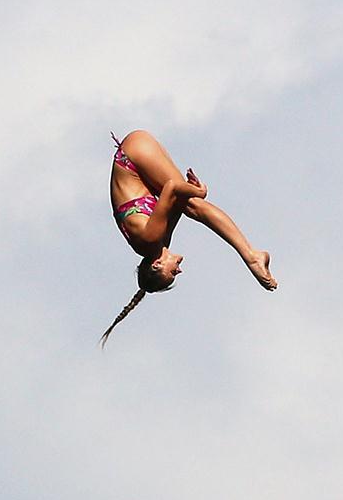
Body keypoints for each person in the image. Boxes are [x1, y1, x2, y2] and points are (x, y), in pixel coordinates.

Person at [101, 130, 277, 346]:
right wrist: (189, 191)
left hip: (134, 153)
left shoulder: (151, 239)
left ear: (157, 264)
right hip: (134, 156)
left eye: (172, 272)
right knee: (190, 204)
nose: (179, 269)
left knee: (195, 203)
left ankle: (251, 256)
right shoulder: (157, 242)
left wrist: (197, 192)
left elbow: (171, 188)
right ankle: (250, 255)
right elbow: (174, 204)